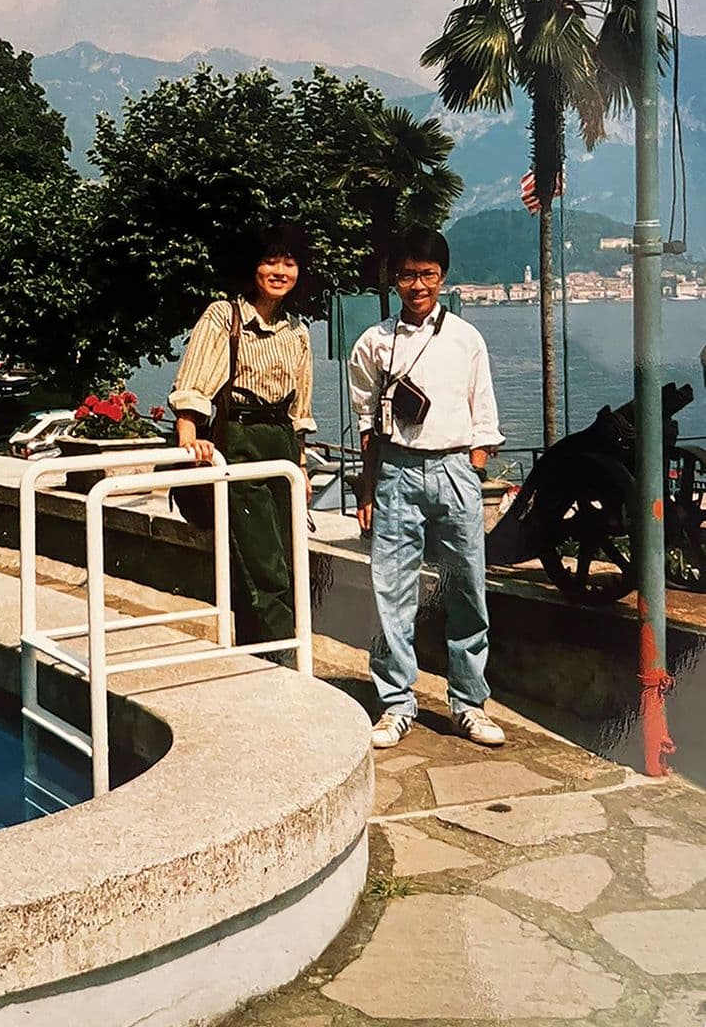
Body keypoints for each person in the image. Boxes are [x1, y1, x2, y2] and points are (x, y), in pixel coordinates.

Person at [348, 225, 505, 749]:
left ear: (443, 276)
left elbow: (484, 412)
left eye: (428, 274)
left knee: (467, 587)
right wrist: (368, 491)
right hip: (395, 472)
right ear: (395, 279)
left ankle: (469, 703)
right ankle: (395, 703)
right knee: (391, 590)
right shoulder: (373, 342)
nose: (419, 285)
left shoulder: (466, 338)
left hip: (455, 470)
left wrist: (473, 464)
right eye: (409, 274)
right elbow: (367, 425)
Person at [170, 225, 315, 650]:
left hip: (283, 445)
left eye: (289, 263)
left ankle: (270, 653)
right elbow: (193, 386)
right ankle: (277, 659)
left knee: (289, 558)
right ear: (253, 267)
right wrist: (189, 439)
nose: (280, 271)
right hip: (240, 439)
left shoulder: (297, 331)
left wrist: (302, 467)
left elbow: (300, 410)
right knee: (259, 562)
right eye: (271, 261)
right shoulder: (224, 316)